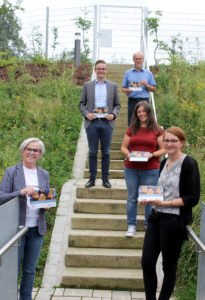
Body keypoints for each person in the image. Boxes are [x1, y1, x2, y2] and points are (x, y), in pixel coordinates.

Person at [141, 127, 200, 300]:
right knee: (147, 262)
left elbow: (192, 198)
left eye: (173, 140)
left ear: (181, 142)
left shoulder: (189, 163)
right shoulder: (163, 162)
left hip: (173, 221)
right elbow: (162, 190)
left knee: (168, 268)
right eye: (166, 140)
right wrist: (149, 197)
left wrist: (164, 203)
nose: (169, 144)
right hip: (156, 217)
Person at [0, 138, 50, 300]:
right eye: (29, 149)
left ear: (40, 155)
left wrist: (47, 204)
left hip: (36, 228)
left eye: (36, 150)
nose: (32, 152)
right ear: (23, 151)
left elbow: (45, 198)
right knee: (12, 269)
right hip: (16, 229)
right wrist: (20, 192)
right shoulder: (11, 172)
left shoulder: (44, 174)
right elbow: (1, 197)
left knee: (30, 269)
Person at [121, 101, 165, 237]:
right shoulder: (131, 128)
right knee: (132, 197)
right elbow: (123, 147)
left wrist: (152, 154)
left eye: (143, 111)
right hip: (132, 168)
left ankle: (148, 225)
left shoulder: (157, 130)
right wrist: (128, 154)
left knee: (149, 198)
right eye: (138, 112)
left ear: (148, 112)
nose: (141, 114)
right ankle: (131, 225)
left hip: (150, 168)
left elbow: (163, 149)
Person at [79, 59, 120, 188]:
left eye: (103, 68)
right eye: (99, 69)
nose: (101, 71)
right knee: (92, 152)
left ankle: (105, 179)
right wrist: (87, 114)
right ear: (95, 70)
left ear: (106, 70)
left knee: (106, 152)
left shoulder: (113, 86)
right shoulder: (87, 85)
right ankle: (92, 179)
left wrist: (113, 114)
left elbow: (117, 105)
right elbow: (81, 104)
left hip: (107, 123)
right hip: (92, 123)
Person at [122, 51, 156, 125]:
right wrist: (127, 90)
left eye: (140, 59)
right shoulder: (127, 73)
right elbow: (123, 88)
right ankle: (132, 136)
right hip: (132, 101)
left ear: (143, 59)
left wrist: (146, 85)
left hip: (144, 101)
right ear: (133, 60)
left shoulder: (148, 73)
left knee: (146, 122)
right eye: (136, 59)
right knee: (132, 123)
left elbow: (154, 89)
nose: (138, 60)